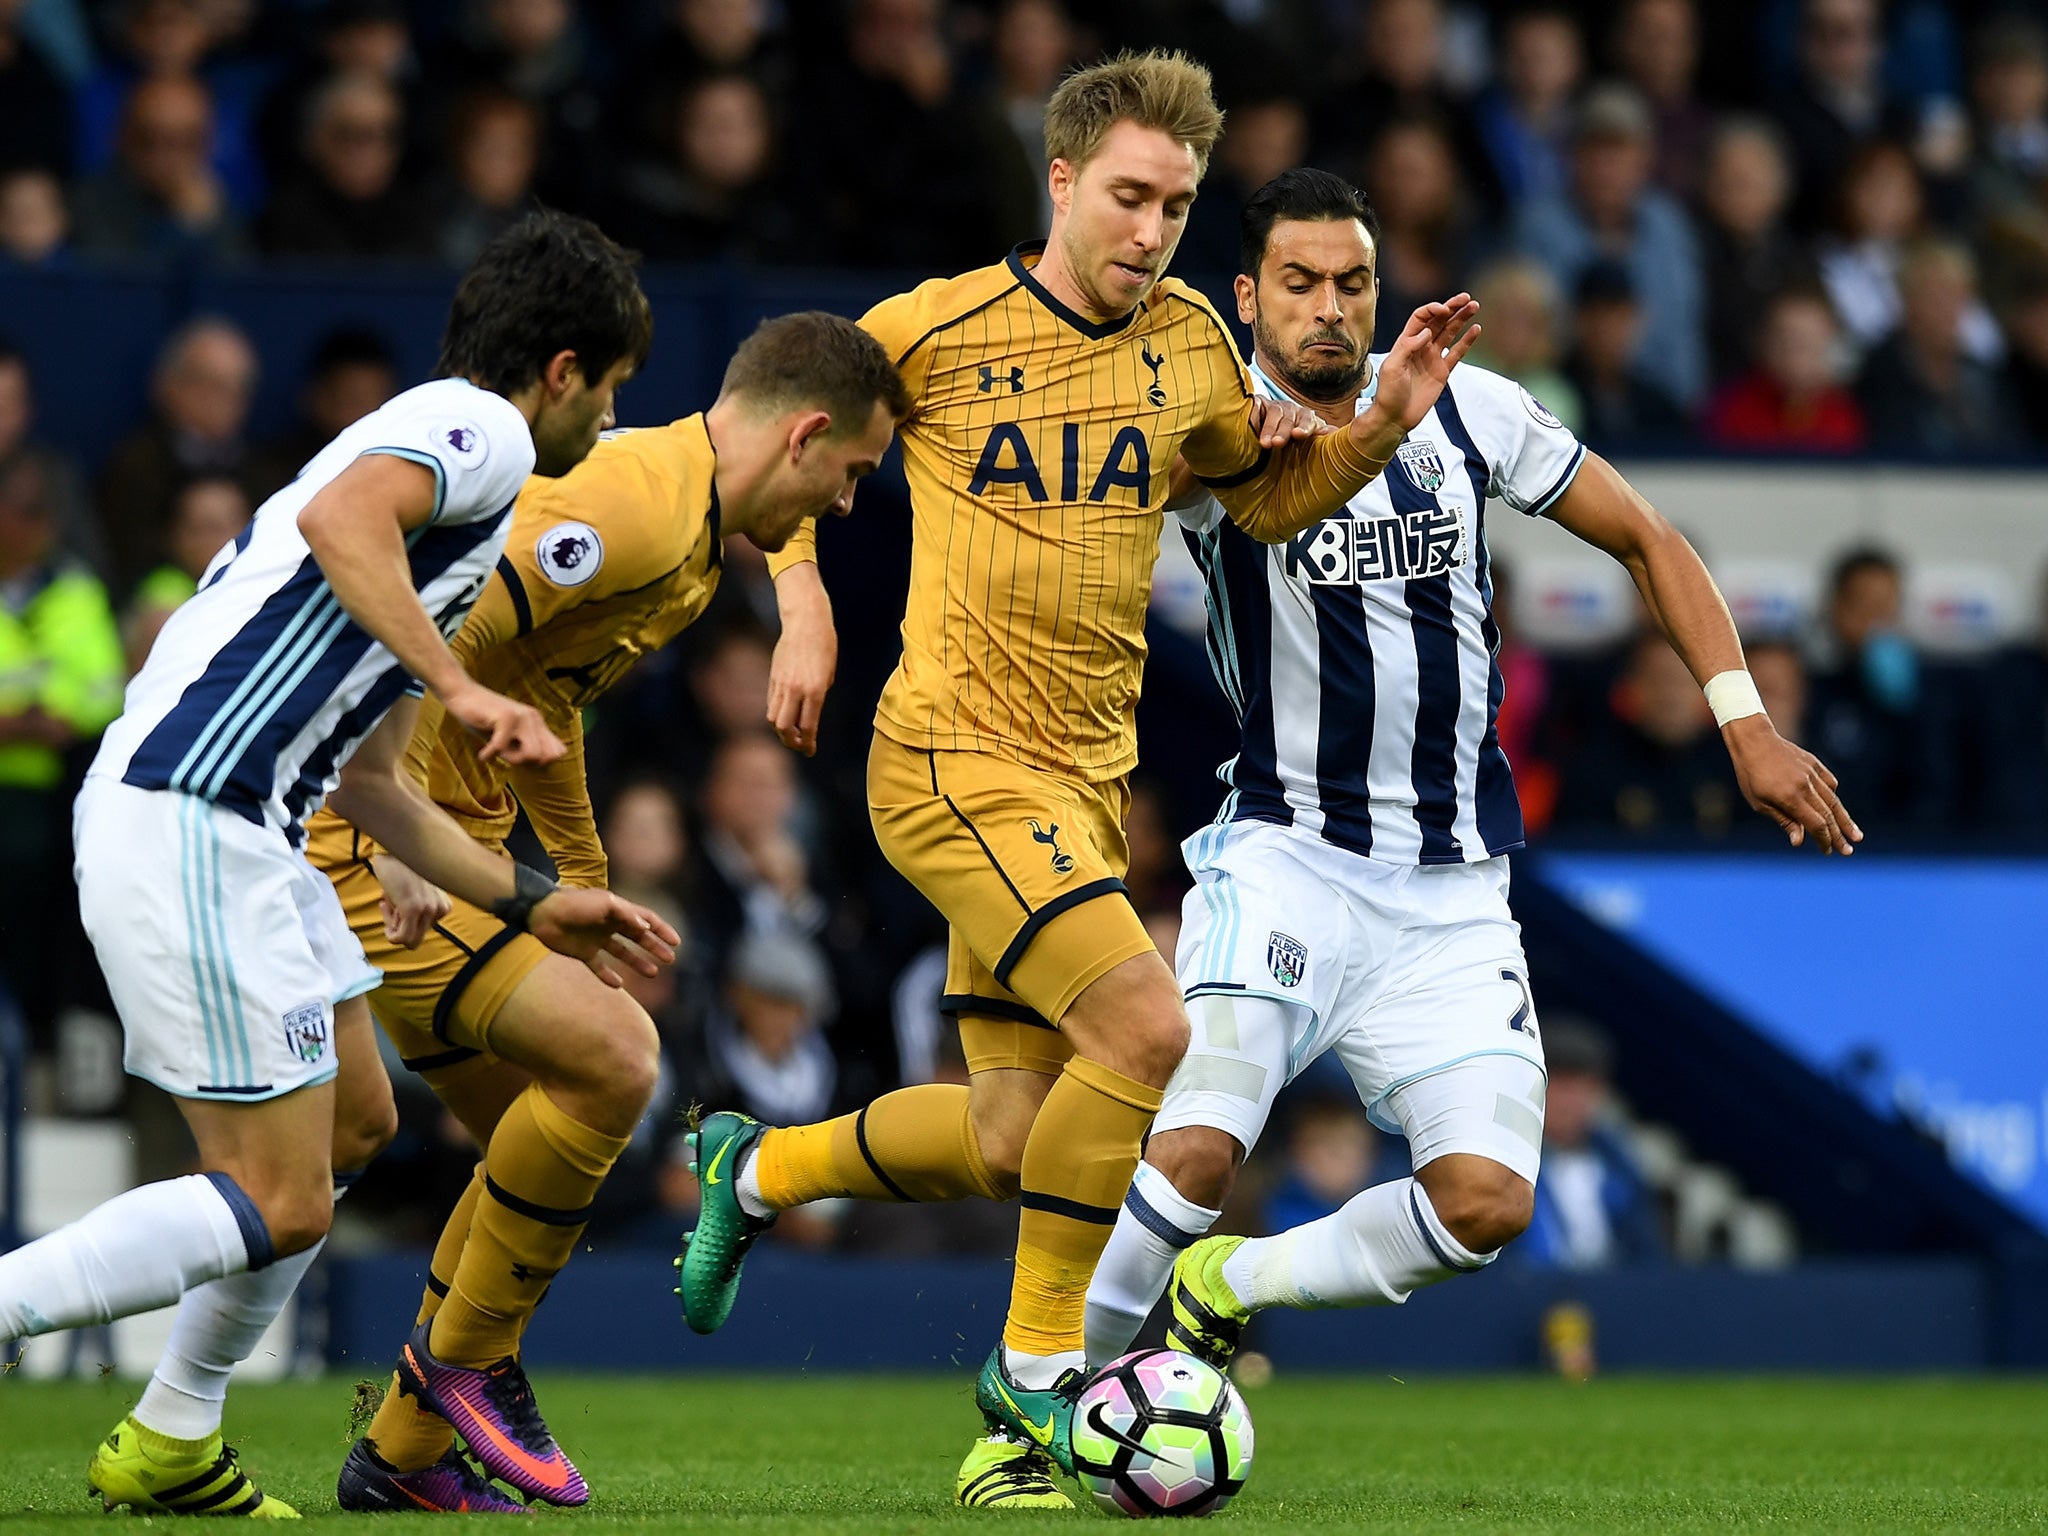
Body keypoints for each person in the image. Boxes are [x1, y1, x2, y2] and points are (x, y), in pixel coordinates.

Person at [677, 51, 1485, 1513]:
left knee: (1011, 1139)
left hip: (1076, 794)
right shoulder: (932, 328)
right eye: (1126, 196)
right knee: (1145, 1023)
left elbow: (1268, 501)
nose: (1152, 229)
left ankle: (754, 1172)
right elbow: (773, 433)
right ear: (1060, 185)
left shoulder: (1188, 344)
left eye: (1176, 204)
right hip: (943, 763)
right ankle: (1038, 1382)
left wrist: (1378, 426)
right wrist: (800, 598)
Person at [1076, 167, 1855, 1387]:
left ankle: (1228, 1281)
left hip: (1449, 889)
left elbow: (1645, 536)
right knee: (1195, 1158)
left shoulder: (1467, 411)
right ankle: (1031, 1402)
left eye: (1352, 282)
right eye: (1297, 283)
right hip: (1285, 858)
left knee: (1484, 1203)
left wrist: (1742, 720)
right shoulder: (1214, 430)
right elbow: (1139, 487)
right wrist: (1232, 446)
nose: (1328, 307)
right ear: (1245, 296)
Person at [0, 211, 670, 1521]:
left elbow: (375, 788)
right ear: (564, 371)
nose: (609, 418)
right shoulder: (475, 430)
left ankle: (174, 1436)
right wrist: (460, 686)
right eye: (616, 389)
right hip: (193, 807)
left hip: (262, 827)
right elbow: (338, 514)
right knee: (279, 1195)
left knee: (356, 1123)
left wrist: (541, 902)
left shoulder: (456, 530)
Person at [298, 309, 903, 1511]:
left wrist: (580, 874)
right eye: (853, 476)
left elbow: (551, 699)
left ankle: (405, 1460)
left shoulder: (688, 546)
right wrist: (398, 814)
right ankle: (462, 1367)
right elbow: (439, 619)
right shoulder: (632, 503)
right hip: (372, 834)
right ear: (808, 435)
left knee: (537, 1141)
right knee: (614, 1066)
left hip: (450, 842)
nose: (844, 508)